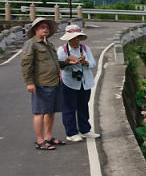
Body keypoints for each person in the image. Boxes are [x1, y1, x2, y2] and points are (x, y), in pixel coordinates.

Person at [21, 17, 66, 150]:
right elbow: (26, 64)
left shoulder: (49, 44)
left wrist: (68, 62)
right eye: (42, 27)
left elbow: (54, 63)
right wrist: (29, 82)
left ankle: (48, 137)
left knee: (50, 112)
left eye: (47, 27)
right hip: (41, 83)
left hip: (54, 82)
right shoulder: (31, 44)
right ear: (36, 29)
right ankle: (40, 140)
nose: (45, 29)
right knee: (39, 112)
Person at [57, 23, 100, 142]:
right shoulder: (62, 50)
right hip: (69, 81)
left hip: (85, 81)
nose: (76, 40)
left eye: (78, 37)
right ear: (68, 38)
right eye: (73, 38)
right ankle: (71, 133)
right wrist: (68, 61)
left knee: (83, 106)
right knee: (69, 107)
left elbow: (92, 63)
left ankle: (85, 130)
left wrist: (85, 62)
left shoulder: (85, 48)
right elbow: (59, 65)